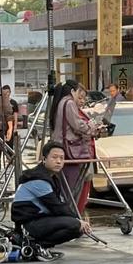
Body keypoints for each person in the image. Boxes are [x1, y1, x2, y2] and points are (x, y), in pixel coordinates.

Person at [12, 141, 91, 251]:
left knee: (77, 228)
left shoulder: (50, 177)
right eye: (54, 157)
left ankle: (39, 245)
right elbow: (56, 206)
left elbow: (61, 204)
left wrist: (78, 221)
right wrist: (78, 221)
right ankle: (35, 244)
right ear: (44, 159)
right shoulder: (38, 179)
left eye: (62, 158)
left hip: (40, 219)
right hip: (29, 223)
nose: (58, 161)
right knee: (75, 225)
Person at [50, 81, 100, 214]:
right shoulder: (69, 103)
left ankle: (68, 216)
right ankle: (70, 216)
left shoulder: (61, 102)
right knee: (71, 188)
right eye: (80, 96)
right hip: (69, 150)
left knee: (66, 187)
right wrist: (91, 126)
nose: (82, 100)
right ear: (73, 91)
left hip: (62, 148)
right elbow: (77, 125)